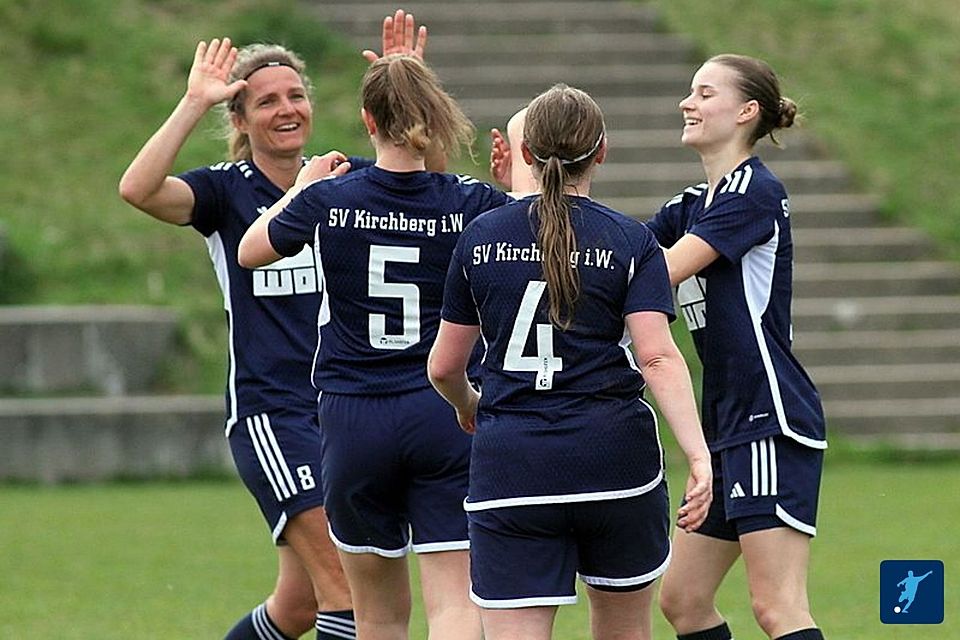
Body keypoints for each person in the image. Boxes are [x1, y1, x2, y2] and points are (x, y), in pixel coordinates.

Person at [118, 12, 429, 639]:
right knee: (346, 589)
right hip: (273, 414)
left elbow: (426, 176)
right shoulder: (227, 193)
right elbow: (139, 188)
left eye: (295, 96)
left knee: (297, 608)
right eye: (265, 102)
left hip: (341, 410)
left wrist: (408, 87)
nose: (286, 109)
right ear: (239, 120)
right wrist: (191, 102)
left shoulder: (339, 183)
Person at [237, 53, 511, 640]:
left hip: (352, 415)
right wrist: (513, 185)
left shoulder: (330, 198)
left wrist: (300, 189)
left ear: (367, 120)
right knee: (456, 606)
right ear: (434, 120)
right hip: (443, 410)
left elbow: (250, 251)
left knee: (377, 617)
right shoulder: (466, 201)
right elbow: (534, 228)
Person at [427, 83, 712, 640]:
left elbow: (443, 367)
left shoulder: (480, 237)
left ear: (526, 153)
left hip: (514, 466)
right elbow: (656, 357)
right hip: (615, 465)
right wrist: (698, 456)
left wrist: (470, 405)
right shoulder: (632, 241)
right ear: (601, 151)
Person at [646, 54, 828, 640]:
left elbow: (659, 271)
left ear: (747, 112)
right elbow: (616, 251)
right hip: (726, 424)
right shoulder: (690, 204)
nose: (687, 103)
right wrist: (526, 194)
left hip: (766, 418)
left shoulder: (752, 191)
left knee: (777, 607)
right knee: (683, 599)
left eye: (703, 93)